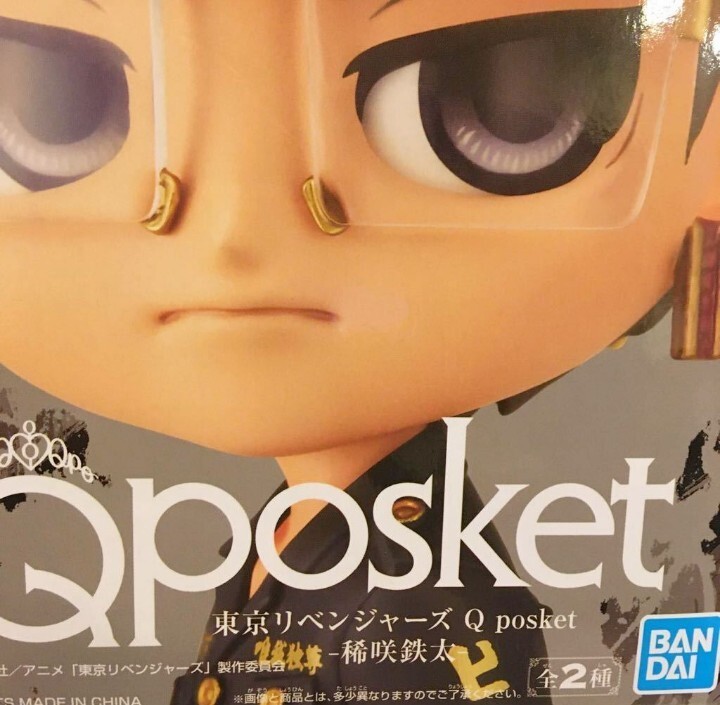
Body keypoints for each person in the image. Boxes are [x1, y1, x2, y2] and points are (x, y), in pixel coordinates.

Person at [0, 1, 718, 703]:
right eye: (58, 109)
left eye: (490, 107)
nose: (231, 235)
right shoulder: (292, 526)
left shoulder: (425, 601)